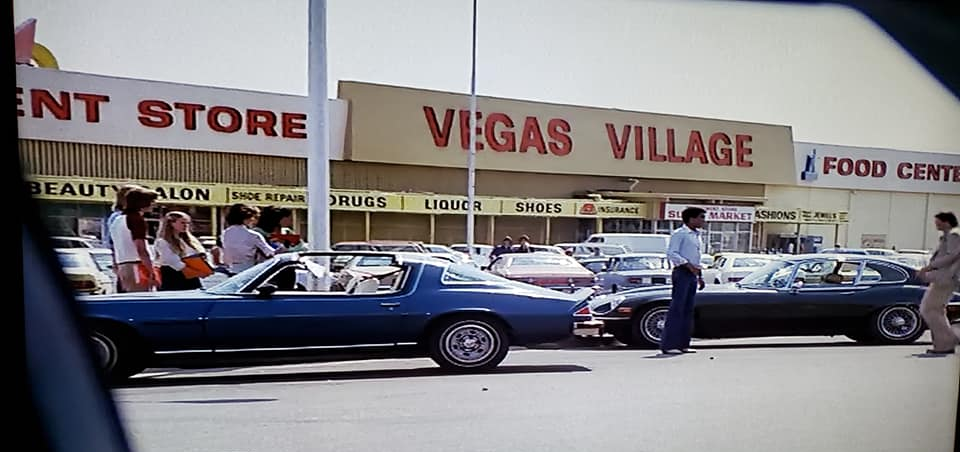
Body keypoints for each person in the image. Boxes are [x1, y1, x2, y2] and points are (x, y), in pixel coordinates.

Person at [661, 206, 707, 355]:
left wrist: (699, 276)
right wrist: (687, 265)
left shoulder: (697, 235)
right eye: (701, 217)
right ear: (691, 218)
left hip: (693, 274)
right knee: (677, 308)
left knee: (688, 310)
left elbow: (697, 256)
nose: (703, 221)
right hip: (682, 272)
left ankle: (683, 344)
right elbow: (672, 253)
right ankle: (669, 344)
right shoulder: (680, 234)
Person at [917, 212, 960, 355]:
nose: (936, 225)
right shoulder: (948, 236)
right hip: (943, 278)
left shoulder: (954, 235)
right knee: (934, 310)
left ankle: (949, 339)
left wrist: (929, 267)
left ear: (947, 222)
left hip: (946, 278)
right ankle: (943, 344)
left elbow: (952, 255)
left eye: (938, 222)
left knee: (929, 309)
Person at [110, 187, 159, 292]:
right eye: (152, 201)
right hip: (136, 265)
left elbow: (114, 246)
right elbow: (141, 248)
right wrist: (151, 270)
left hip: (123, 264)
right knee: (141, 299)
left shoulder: (117, 220)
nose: (154, 204)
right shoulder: (136, 219)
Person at [221, 204, 282, 274]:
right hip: (248, 271)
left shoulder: (225, 233)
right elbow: (270, 253)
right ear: (247, 218)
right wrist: (282, 247)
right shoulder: (253, 235)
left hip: (230, 270)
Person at [102, 184, 141, 293]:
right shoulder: (121, 217)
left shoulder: (119, 216)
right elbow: (114, 242)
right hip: (129, 262)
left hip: (125, 261)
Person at [154, 211, 207, 291]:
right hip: (173, 276)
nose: (186, 225)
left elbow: (197, 254)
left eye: (188, 223)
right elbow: (174, 262)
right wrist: (195, 272)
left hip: (191, 276)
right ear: (171, 223)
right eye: (182, 222)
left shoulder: (190, 240)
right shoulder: (163, 241)